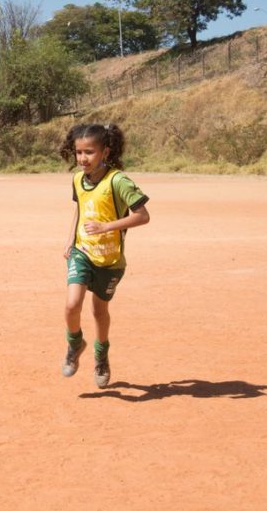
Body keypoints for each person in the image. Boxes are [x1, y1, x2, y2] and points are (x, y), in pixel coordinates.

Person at [59, 123, 150, 389]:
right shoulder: (78, 179)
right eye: (78, 152)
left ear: (105, 152)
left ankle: (101, 357)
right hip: (82, 252)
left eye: (89, 152)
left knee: (100, 311)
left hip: (110, 260)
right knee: (71, 304)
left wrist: (106, 227)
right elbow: (80, 209)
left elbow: (142, 216)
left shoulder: (118, 181)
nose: (82, 159)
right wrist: (70, 239)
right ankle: (75, 345)